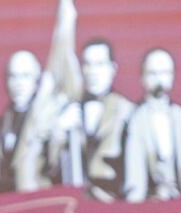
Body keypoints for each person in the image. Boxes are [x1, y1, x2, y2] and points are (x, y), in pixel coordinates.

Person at [53, 38, 135, 200]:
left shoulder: (127, 111)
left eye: (100, 64)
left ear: (113, 69)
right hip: (72, 202)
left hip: (113, 202)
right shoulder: (68, 110)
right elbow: (49, 167)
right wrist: (59, 131)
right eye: (87, 64)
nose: (92, 72)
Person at [123, 48, 181, 202]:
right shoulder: (135, 119)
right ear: (142, 77)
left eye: (165, 73)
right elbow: (134, 176)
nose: (159, 79)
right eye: (153, 73)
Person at [0, 50, 42, 192]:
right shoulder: (1, 123)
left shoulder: (48, 122)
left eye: (25, 76)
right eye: (13, 76)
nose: (19, 83)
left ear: (37, 81)